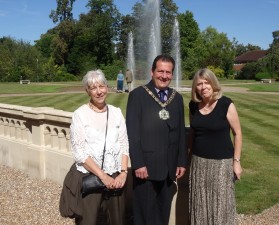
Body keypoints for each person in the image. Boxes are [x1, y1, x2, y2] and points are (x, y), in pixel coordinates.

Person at [126, 54, 188, 225]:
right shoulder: (138, 95)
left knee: (163, 212)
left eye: (168, 72)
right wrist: (138, 163)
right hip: (145, 168)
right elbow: (132, 133)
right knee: (144, 214)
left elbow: (181, 132)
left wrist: (181, 161)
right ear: (152, 72)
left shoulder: (176, 98)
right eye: (160, 71)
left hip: (169, 168)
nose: (164, 76)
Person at [69, 69, 129, 225]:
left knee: (117, 221)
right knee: (90, 221)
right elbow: (80, 153)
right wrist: (103, 177)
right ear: (87, 91)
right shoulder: (80, 115)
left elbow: (124, 144)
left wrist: (123, 173)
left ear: (107, 87)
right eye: (93, 88)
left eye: (101, 86)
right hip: (92, 178)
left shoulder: (116, 113)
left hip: (116, 179)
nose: (99, 91)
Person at [188, 68, 243, 225]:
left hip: (221, 164)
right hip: (198, 163)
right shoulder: (193, 106)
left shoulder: (226, 104)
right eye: (199, 84)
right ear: (195, 87)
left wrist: (236, 162)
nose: (203, 87)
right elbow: (192, 132)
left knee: (220, 205)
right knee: (200, 205)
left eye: (207, 83)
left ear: (213, 84)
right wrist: (188, 156)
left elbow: (237, 133)